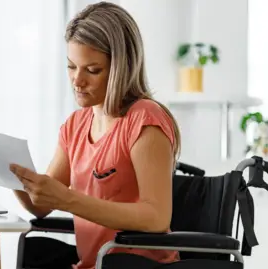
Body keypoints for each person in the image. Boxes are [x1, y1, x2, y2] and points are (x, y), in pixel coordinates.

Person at [10, 1, 181, 268]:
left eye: (92, 70)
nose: (77, 80)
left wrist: (68, 200)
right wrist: (11, 174)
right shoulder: (75, 125)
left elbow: (156, 216)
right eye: (71, 66)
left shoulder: (145, 120)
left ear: (121, 69)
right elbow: (41, 206)